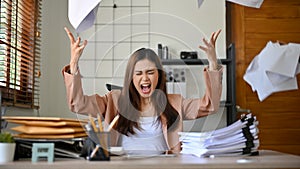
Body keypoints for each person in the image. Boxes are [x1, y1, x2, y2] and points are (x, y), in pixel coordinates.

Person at [62, 27, 223, 155]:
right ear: (131, 78)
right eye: (138, 73)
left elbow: (210, 105)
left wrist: (212, 63)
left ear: (159, 76)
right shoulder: (114, 100)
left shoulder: (174, 102)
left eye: (150, 72)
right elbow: (77, 105)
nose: (145, 78)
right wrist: (74, 63)